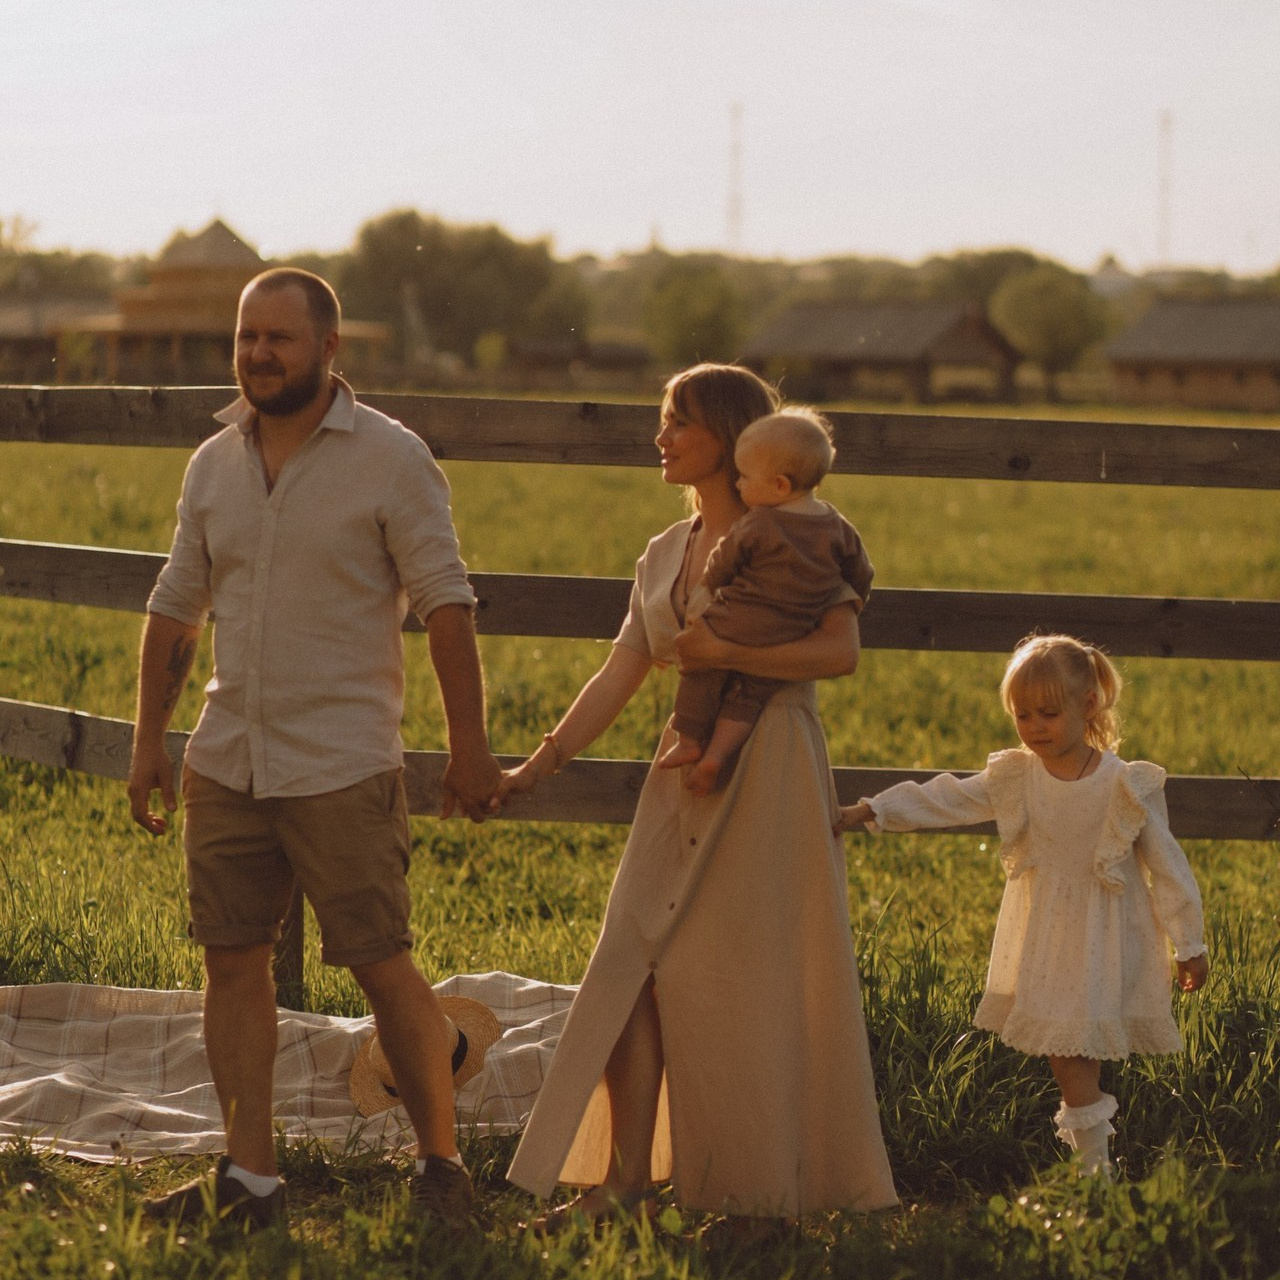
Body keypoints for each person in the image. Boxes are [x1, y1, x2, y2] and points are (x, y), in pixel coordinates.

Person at [126, 267, 503, 1230]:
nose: (258, 354)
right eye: (247, 337)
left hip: (342, 759)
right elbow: (174, 606)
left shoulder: (392, 458)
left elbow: (446, 604)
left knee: (381, 962)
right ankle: (250, 1184)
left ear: (330, 349)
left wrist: (471, 752)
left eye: (279, 339)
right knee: (232, 962)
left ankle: (441, 1173)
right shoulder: (214, 463)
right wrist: (148, 745)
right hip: (228, 756)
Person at [498, 363, 898, 1230]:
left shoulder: (794, 533)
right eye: (662, 419)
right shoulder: (664, 552)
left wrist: (729, 659)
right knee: (630, 972)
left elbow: (838, 655)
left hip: (774, 767)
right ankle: (626, 1184)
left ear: (729, 436)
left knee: (741, 981)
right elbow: (622, 668)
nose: (662, 436)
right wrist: (542, 760)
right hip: (681, 774)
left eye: (678, 421)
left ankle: (757, 1195)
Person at [839, 634, 1209, 1178]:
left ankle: (1094, 1177)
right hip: (1050, 938)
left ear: (1088, 705)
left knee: (1075, 1055)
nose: (1035, 726)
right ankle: (1095, 1174)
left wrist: (1190, 943)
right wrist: (872, 809)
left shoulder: (1124, 785)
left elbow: (1169, 867)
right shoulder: (1019, 778)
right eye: (1023, 714)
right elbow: (948, 797)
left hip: (1107, 938)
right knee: (1071, 1055)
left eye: (1049, 713)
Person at [656, 407, 873, 796]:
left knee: (700, 665)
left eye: (744, 477)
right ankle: (716, 758)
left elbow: (726, 558)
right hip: (793, 630)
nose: (738, 484)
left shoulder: (761, 522)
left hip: (740, 617)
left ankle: (688, 739)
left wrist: (709, 587)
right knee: (750, 696)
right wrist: (851, 600)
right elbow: (861, 573)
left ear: (779, 486)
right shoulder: (837, 527)